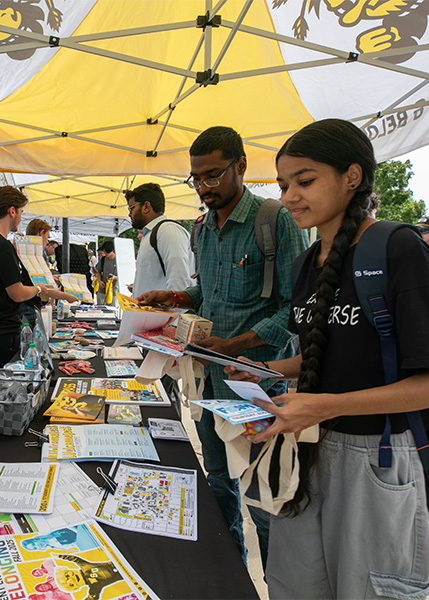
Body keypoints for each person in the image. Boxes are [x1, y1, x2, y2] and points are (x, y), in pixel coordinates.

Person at [228, 118, 429, 599]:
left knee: (368, 589)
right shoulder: (305, 263)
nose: (291, 195)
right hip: (305, 450)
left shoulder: (398, 248)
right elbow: (327, 347)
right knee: (293, 586)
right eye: (283, 184)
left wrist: (327, 405)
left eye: (306, 180)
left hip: (377, 457)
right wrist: (268, 371)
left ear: (352, 177)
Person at [137, 126, 308, 569]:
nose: (204, 187)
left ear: (241, 166)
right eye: (196, 178)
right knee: (218, 478)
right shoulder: (203, 228)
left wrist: (238, 344)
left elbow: (295, 306)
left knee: (258, 491)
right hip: (210, 377)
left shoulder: (274, 220)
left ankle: (276, 580)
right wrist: (173, 299)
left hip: (255, 382)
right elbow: (206, 292)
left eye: (213, 176)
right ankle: (229, 568)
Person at [0, 186, 51, 368]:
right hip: (1, 331)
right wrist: (39, 289)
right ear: (11, 211)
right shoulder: (1, 246)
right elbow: (17, 293)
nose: (21, 217)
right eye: (21, 212)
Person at [125, 182, 194, 297]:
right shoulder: (151, 233)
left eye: (131, 208)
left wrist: (170, 310)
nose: (129, 214)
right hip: (151, 313)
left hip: (163, 314)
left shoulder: (167, 231)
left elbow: (179, 282)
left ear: (146, 207)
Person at [93, 241, 117, 305]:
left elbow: (123, 276)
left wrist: (114, 277)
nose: (106, 254)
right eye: (104, 252)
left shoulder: (118, 261)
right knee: (100, 308)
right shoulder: (103, 259)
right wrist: (99, 281)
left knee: (112, 310)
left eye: (107, 252)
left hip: (113, 290)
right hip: (102, 289)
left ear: (112, 250)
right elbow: (98, 272)